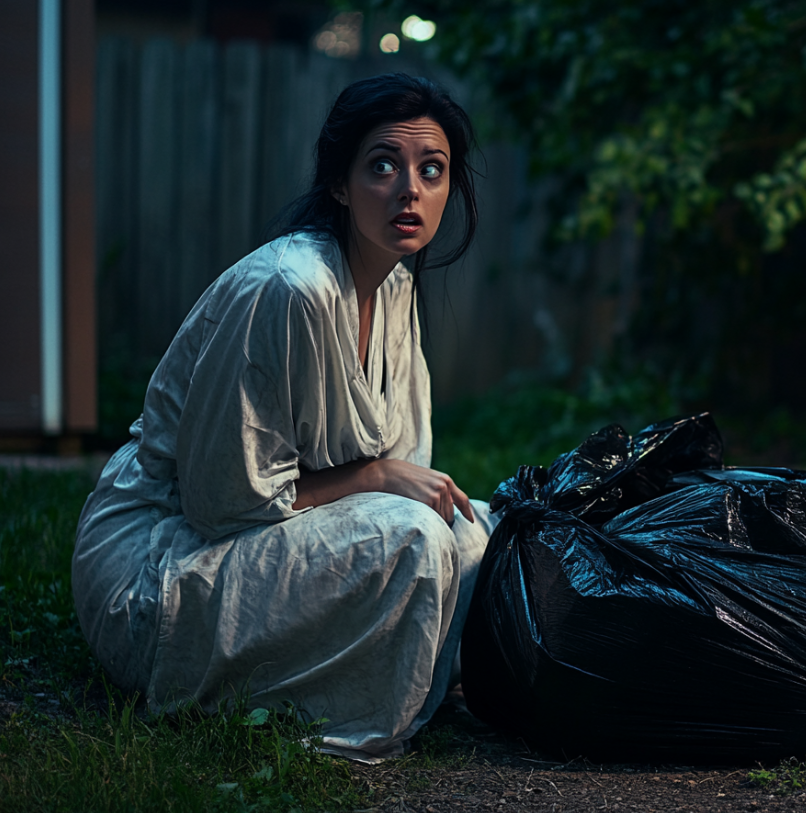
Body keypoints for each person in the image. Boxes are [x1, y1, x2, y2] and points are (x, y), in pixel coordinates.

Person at [72, 74, 495, 762]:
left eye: (431, 169)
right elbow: (221, 504)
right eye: (382, 165)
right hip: (158, 576)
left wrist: (384, 479)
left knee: (471, 530)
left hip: (261, 537)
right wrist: (374, 476)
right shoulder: (289, 290)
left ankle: (400, 688)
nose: (408, 189)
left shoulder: (391, 282)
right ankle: (340, 704)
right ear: (338, 183)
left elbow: (403, 470)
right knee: (415, 535)